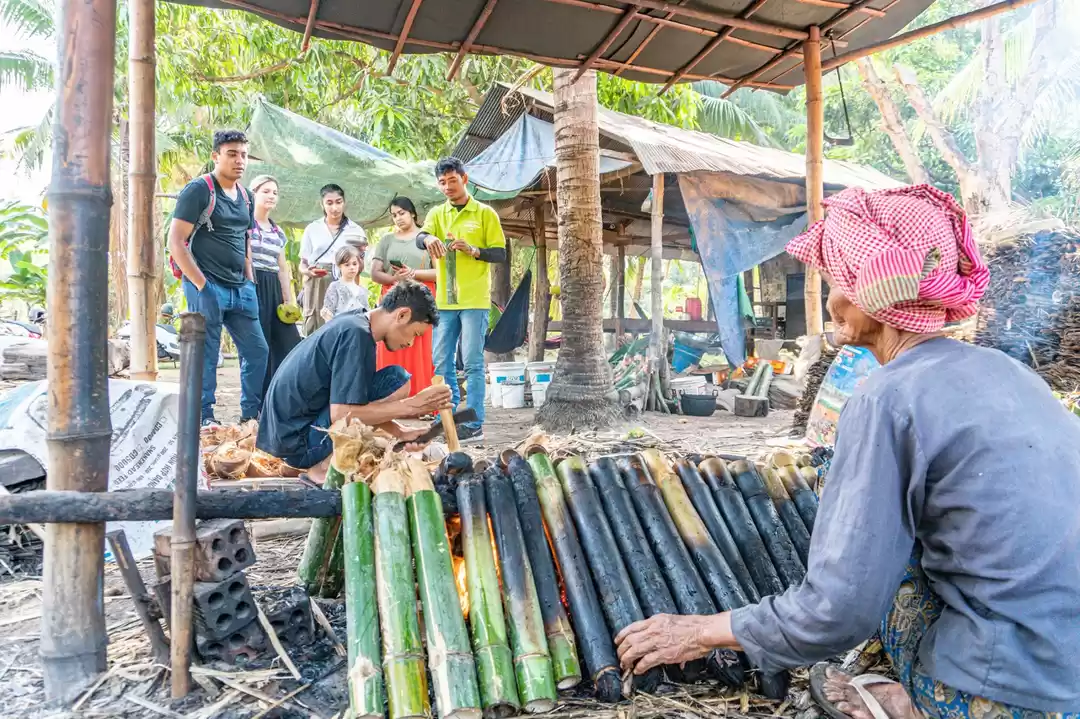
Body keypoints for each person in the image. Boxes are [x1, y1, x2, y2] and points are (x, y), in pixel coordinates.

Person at [613, 185, 1080, 719]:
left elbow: (838, 610)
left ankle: (925, 701)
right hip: (1067, 667)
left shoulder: (888, 397)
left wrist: (698, 632)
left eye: (837, 281)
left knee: (876, 547)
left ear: (869, 293)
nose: (831, 298)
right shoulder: (1009, 371)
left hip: (1017, 693)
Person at [256, 280, 451, 484]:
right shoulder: (355, 335)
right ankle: (323, 467)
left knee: (396, 378)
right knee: (396, 382)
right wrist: (412, 406)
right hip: (297, 443)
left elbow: (357, 401)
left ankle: (330, 457)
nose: (410, 343)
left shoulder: (356, 321)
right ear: (402, 315)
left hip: (290, 432)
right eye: (415, 334)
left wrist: (400, 432)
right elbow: (342, 414)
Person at [167, 129, 268, 426]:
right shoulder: (199, 190)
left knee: (257, 351)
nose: (240, 161)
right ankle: (204, 417)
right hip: (206, 285)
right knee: (207, 354)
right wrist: (202, 285)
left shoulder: (247, 197)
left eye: (244, 155)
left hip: (241, 288)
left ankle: (251, 415)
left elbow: (245, 239)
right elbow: (176, 242)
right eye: (232, 154)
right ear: (216, 156)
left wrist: (249, 280)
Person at [416, 157, 506, 443]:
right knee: (441, 362)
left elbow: (500, 253)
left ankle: (475, 422)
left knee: (472, 362)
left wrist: (474, 250)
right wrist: (427, 240)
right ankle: (450, 418)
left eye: (452, 181)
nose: (447, 187)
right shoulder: (437, 214)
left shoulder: (485, 213)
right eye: (442, 183)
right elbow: (421, 235)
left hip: (475, 300)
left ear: (464, 179)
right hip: (444, 300)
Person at [371, 196, 436, 397]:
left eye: (402, 213)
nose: (398, 218)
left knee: (420, 349)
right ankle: (389, 399)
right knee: (390, 345)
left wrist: (413, 274)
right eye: (394, 215)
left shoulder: (427, 238)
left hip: (421, 298)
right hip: (393, 297)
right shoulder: (387, 240)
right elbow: (375, 273)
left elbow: (440, 273)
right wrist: (393, 277)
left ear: (413, 213)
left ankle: (421, 399)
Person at [249, 175, 302, 394]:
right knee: (259, 346)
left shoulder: (277, 231)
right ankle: (258, 401)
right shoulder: (244, 225)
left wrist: (288, 299)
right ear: (253, 194)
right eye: (266, 191)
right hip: (252, 284)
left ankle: (280, 393)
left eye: (275, 192)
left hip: (274, 289)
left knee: (288, 343)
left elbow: (282, 267)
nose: (271, 196)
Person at [299, 183, 368, 336]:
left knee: (343, 323)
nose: (334, 208)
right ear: (322, 204)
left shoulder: (355, 230)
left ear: (344, 202)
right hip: (318, 279)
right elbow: (303, 263)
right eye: (329, 203)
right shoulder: (313, 228)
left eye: (338, 202)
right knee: (315, 323)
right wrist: (308, 272)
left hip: (346, 280)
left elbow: (360, 265)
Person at [320, 245, 369, 322]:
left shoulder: (362, 291)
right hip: (339, 329)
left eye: (354, 264)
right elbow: (328, 314)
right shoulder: (335, 287)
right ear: (340, 266)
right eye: (347, 265)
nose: (352, 267)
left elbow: (366, 315)